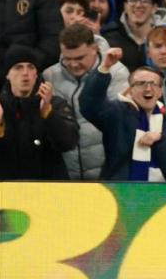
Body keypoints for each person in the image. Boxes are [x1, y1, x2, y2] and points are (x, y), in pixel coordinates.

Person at [0, 45, 79, 180]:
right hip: (4, 193)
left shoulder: (54, 104)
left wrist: (48, 114)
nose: (25, 73)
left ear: (36, 73)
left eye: (31, 67)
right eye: (18, 67)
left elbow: (69, 142)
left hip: (47, 191)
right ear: (7, 74)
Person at [79, 49, 166, 181]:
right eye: (140, 84)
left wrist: (160, 139)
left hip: (160, 194)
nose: (148, 89)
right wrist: (105, 68)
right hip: (119, 191)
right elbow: (89, 105)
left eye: (153, 84)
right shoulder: (116, 113)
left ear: (160, 91)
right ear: (130, 90)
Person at [43, 23, 130, 180]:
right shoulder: (50, 76)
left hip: (106, 173)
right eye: (68, 58)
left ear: (95, 48)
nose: (74, 64)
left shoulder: (117, 73)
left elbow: (118, 123)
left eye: (79, 58)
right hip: (65, 175)